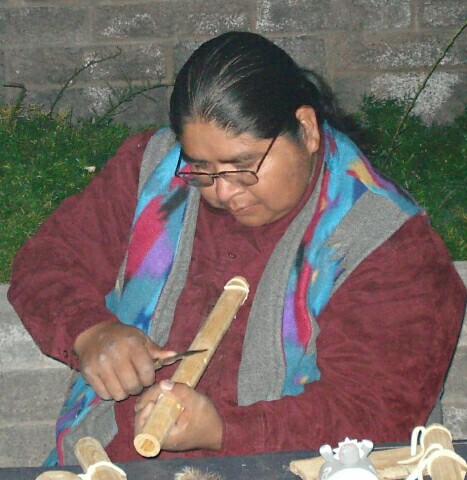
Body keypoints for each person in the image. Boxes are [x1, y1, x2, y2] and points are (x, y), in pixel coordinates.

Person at [8, 32, 465, 466]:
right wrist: (91, 332)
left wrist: (224, 431)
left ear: (306, 129)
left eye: (242, 167)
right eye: (202, 169)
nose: (222, 192)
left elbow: (375, 413)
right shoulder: (153, 172)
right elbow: (46, 262)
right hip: (110, 462)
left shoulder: (387, 243)